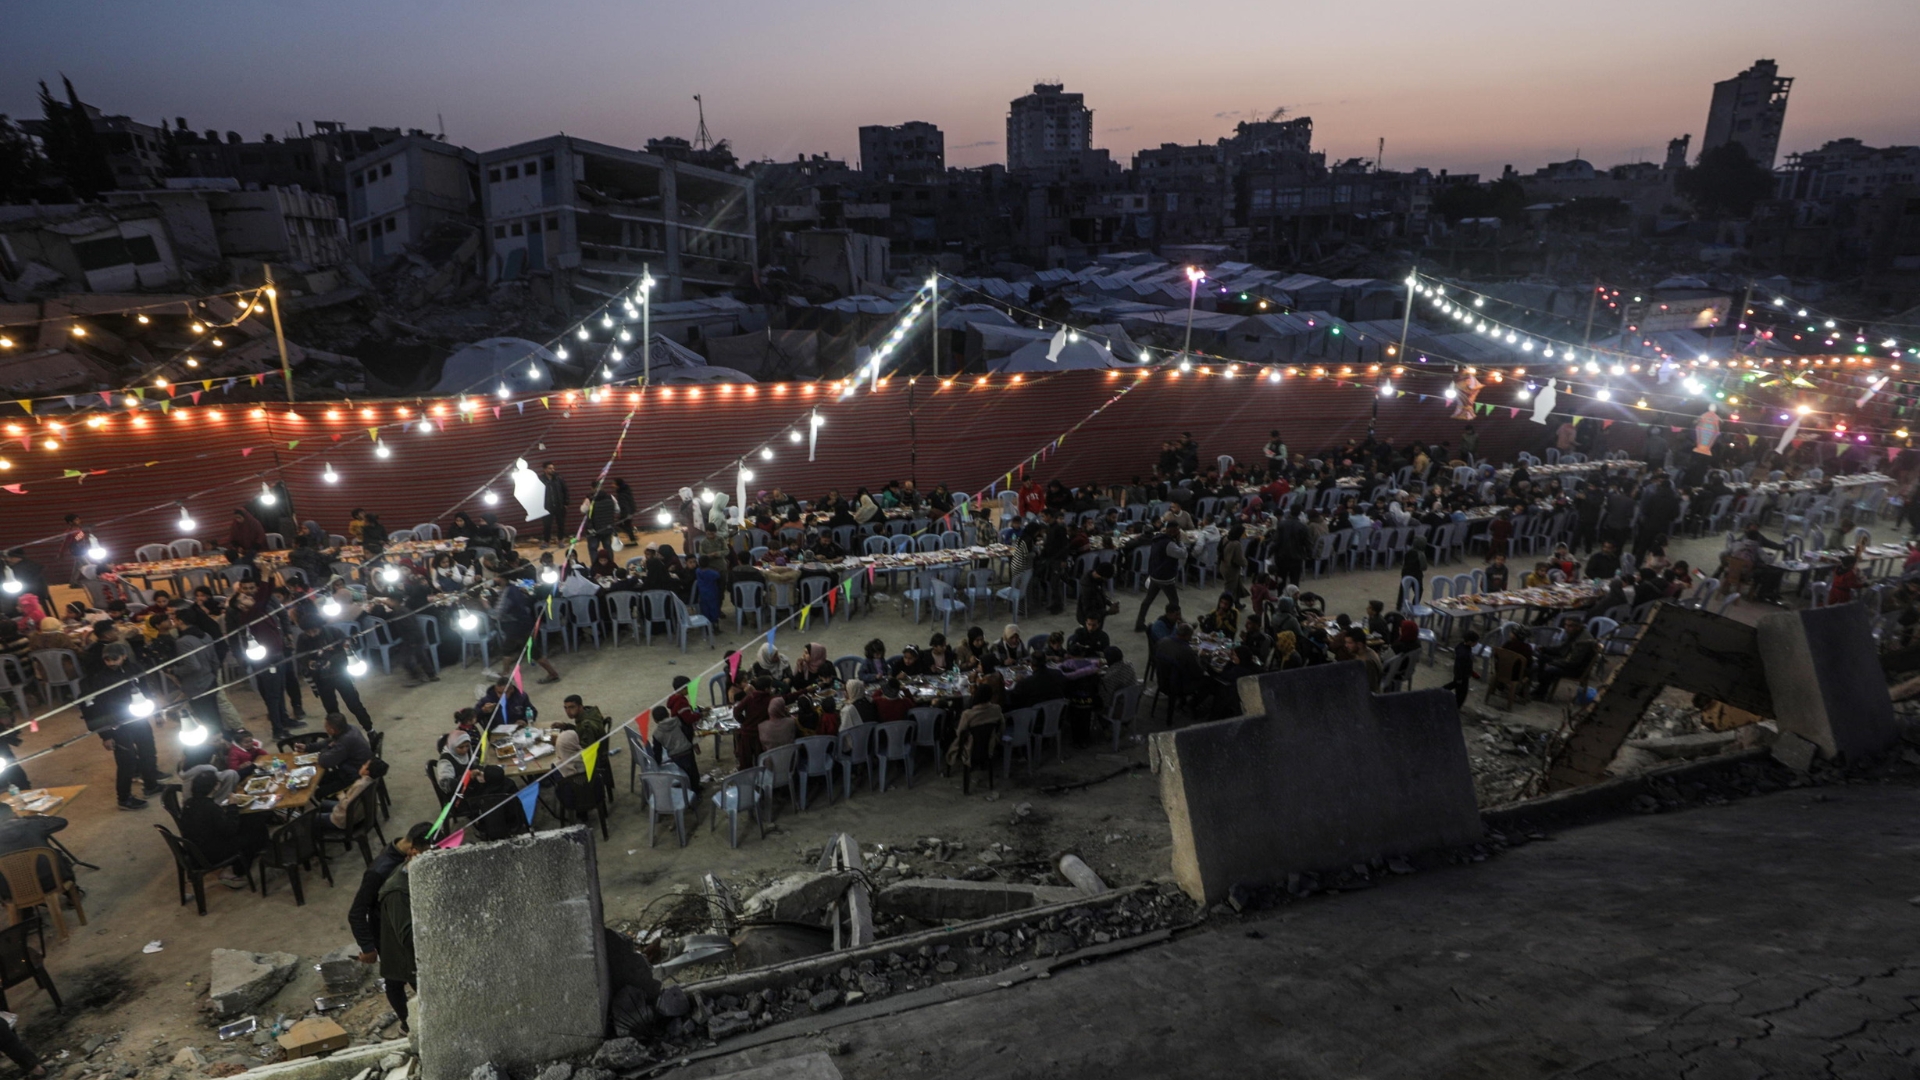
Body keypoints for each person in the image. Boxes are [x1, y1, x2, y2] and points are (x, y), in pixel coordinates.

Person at [81, 641, 164, 810]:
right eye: (107, 660)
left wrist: (156, 713)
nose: (111, 663)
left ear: (124, 656)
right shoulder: (97, 680)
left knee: (147, 748)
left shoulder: (135, 670)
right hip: (116, 725)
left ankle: (151, 784)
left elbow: (146, 691)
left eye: (115, 659)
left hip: (138, 717)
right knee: (127, 760)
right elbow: (91, 710)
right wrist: (105, 735)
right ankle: (124, 798)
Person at [376, 823, 426, 1034]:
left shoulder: (415, 875)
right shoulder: (398, 891)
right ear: (414, 852)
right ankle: (410, 1027)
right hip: (407, 959)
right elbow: (408, 938)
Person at [178, 770, 263, 889]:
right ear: (216, 786)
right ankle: (234, 871)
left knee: (247, 824)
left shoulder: (189, 803)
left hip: (194, 850)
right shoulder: (210, 808)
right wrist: (232, 805)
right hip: (210, 853)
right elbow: (230, 830)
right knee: (250, 835)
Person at [297, 620, 375, 732]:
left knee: (354, 704)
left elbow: (347, 650)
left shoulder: (333, 632)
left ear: (320, 627)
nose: (312, 634)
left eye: (314, 631)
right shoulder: (303, 638)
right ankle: (339, 734)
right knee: (331, 710)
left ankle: (369, 729)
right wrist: (309, 662)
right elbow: (300, 656)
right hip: (321, 679)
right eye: (308, 632)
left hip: (340, 675)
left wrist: (331, 661)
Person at [489, 572, 561, 684]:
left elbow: (496, 614)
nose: (495, 578)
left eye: (497, 576)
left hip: (517, 627)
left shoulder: (507, 594)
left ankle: (553, 673)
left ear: (502, 579)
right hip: (522, 624)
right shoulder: (515, 589)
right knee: (507, 649)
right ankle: (505, 672)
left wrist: (486, 605)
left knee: (533, 652)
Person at [1133, 523, 1188, 632]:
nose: (1179, 533)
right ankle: (1180, 625)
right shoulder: (1169, 544)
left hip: (1155, 575)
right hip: (1165, 578)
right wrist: (1180, 542)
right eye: (1178, 531)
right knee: (1174, 602)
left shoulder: (1157, 539)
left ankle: (1139, 623)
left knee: (1148, 600)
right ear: (1173, 532)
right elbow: (1183, 554)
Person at [303, 713, 372, 799]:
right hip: (354, 768)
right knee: (322, 778)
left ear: (332, 730)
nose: (325, 728)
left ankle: (337, 807)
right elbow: (328, 741)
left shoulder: (345, 741)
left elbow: (324, 762)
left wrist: (327, 748)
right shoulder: (349, 729)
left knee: (319, 793)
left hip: (354, 776)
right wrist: (308, 747)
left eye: (326, 726)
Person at [1531, 616, 1599, 700]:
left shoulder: (1583, 641)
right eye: (1566, 625)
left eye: (1570, 626)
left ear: (1577, 627)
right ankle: (1540, 687)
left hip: (1576, 669)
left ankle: (1540, 693)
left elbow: (1573, 662)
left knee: (1550, 669)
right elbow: (1562, 649)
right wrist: (1545, 649)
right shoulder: (1574, 634)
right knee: (1541, 657)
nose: (1566, 628)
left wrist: (1553, 662)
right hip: (1567, 661)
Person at [946, 686, 1004, 771]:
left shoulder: (968, 714)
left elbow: (960, 733)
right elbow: (1002, 726)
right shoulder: (996, 709)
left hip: (970, 747)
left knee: (950, 733)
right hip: (989, 745)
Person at [539, 461, 571, 546]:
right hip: (547, 507)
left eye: (553, 468)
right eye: (550, 468)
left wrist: (566, 503)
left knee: (561, 524)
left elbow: (565, 491)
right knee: (547, 525)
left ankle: (560, 540)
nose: (552, 470)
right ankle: (546, 541)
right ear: (545, 470)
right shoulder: (540, 480)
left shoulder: (558, 479)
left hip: (559, 506)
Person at [1446, 630, 1480, 706]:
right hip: (1462, 676)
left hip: (1461, 675)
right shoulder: (1464, 654)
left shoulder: (1461, 647)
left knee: (1455, 687)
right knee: (1461, 694)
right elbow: (1460, 666)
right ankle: (1456, 707)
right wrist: (1459, 678)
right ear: (1470, 642)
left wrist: (1471, 672)